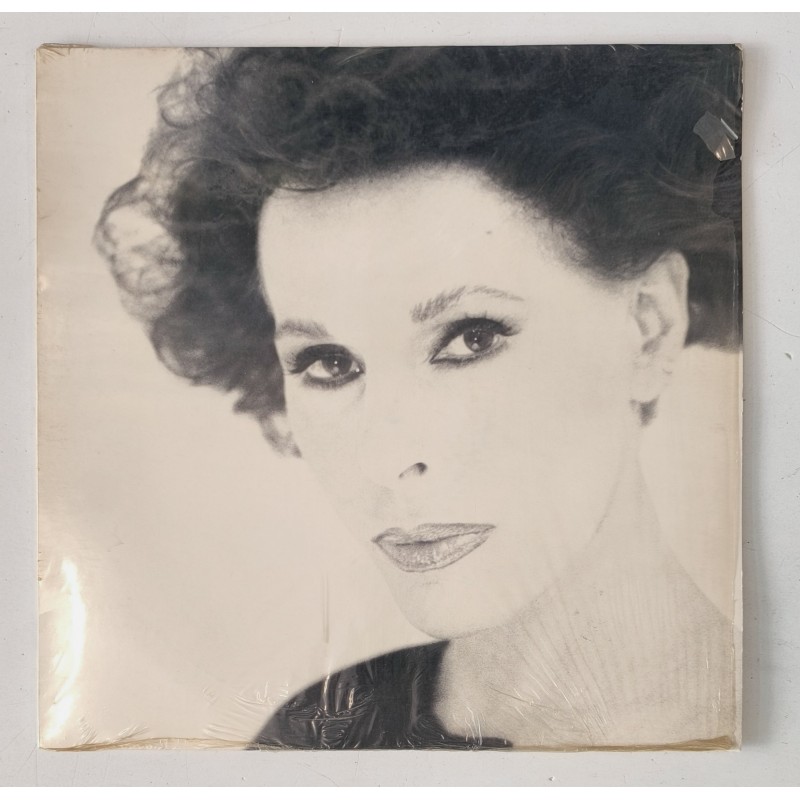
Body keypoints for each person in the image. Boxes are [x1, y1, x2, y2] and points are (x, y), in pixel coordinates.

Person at [95, 45, 742, 750]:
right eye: (328, 362)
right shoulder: (312, 746)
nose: (386, 457)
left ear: (649, 325)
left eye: (470, 338)